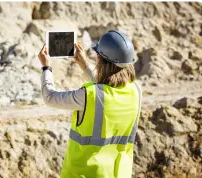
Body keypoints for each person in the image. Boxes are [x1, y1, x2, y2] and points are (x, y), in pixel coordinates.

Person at [38, 30, 142, 178]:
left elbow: (50, 98)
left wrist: (46, 67)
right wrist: (84, 64)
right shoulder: (136, 91)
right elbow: (109, 86)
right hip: (118, 173)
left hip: (85, 173)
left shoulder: (90, 95)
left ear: (102, 61)